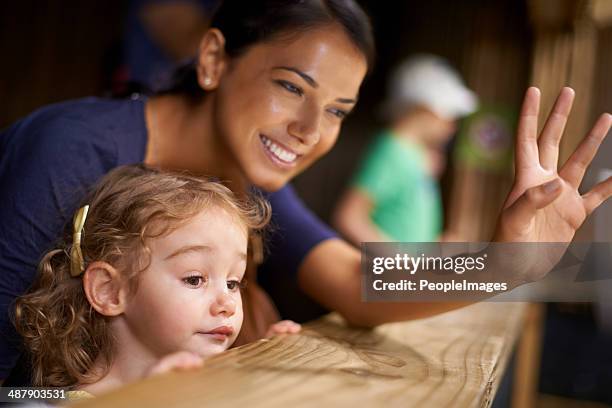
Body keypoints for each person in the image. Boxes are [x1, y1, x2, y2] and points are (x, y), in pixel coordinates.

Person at [1, 0, 611, 385]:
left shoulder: (237, 184)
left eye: (339, 109)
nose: (312, 130)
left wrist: (503, 265)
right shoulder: (72, 150)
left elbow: (356, 282)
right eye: (292, 87)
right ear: (214, 59)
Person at [13, 165, 300, 396]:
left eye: (233, 282)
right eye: (195, 279)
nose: (226, 303)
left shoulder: (205, 376)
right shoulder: (51, 402)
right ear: (110, 291)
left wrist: (267, 367)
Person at [332, 55, 477, 243]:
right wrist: (400, 261)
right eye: (449, 115)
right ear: (423, 109)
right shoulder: (391, 152)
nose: (452, 126)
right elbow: (349, 218)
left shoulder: (417, 155)